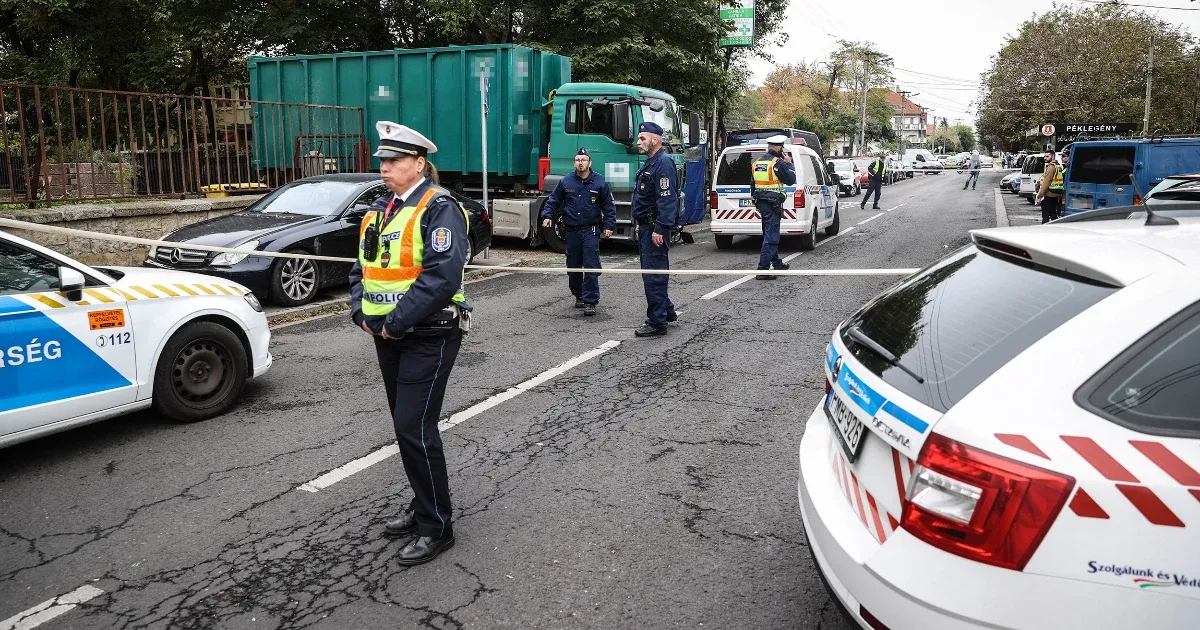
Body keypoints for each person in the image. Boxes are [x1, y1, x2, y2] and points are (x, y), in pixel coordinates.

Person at [348, 121, 472, 566]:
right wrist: (360, 313)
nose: (385, 168)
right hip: (389, 335)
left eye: (394, 160)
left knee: (414, 428)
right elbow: (360, 267)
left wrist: (394, 323)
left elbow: (441, 278)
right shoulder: (381, 209)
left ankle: (437, 526)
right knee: (408, 428)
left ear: (419, 164)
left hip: (429, 334)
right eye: (382, 160)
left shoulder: (440, 208)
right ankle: (423, 507)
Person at [540, 148, 616, 316]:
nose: (580, 163)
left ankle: (590, 301)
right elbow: (553, 201)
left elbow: (608, 206)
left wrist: (609, 226)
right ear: (574, 163)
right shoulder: (566, 182)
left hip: (590, 231)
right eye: (577, 160)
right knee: (573, 266)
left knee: (590, 265)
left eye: (583, 160)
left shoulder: (599, 182)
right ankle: (579, 295)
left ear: (590, 163)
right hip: (572, 231)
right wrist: (547, 216)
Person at [630, 121, 678, 338]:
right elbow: (644, 197)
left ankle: (657, 322)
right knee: (654, 270)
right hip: (648, 226)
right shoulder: (650, 163)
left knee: (653, 274)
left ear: (655, 139)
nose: (639, 142)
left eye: (642, 138)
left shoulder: (663, 163)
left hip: (655, 229)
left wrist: (659, 228)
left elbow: (667, 200)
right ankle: (666, 311)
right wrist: (640, 223)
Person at [750, 135, 797, 280]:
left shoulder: (756, 162)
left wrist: (757, 202)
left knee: (768, 233)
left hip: (762, 203)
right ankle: (762, 270)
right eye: (781, 147)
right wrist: (789, 163)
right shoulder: (778, 163)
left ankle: (777, 263)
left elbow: (752, 184)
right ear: (777, 147)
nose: (782, 150)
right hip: (773, 204)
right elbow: (791, 180)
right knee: (771, 237)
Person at [1034, 149, 1062, 224]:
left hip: (1048, 194)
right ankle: (1056, 228)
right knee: (1053, 214)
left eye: (1047, 156)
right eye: (1044, 156)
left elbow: (1046, 182)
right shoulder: (1058, 166)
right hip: (1055, 193)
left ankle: (1045, 230)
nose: (1045, 158)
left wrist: (1040, 194)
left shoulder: (1051, 167)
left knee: (1045, 215)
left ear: (1053, 156)